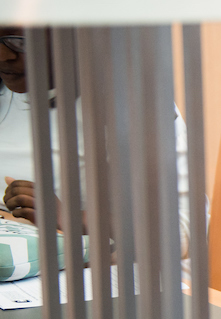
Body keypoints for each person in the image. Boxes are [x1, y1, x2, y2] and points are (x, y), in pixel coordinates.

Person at [0, 27, 195, 260]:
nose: (4, 55)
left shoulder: (129, 101)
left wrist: (72, 218)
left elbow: (183, 230)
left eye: (18, 41)